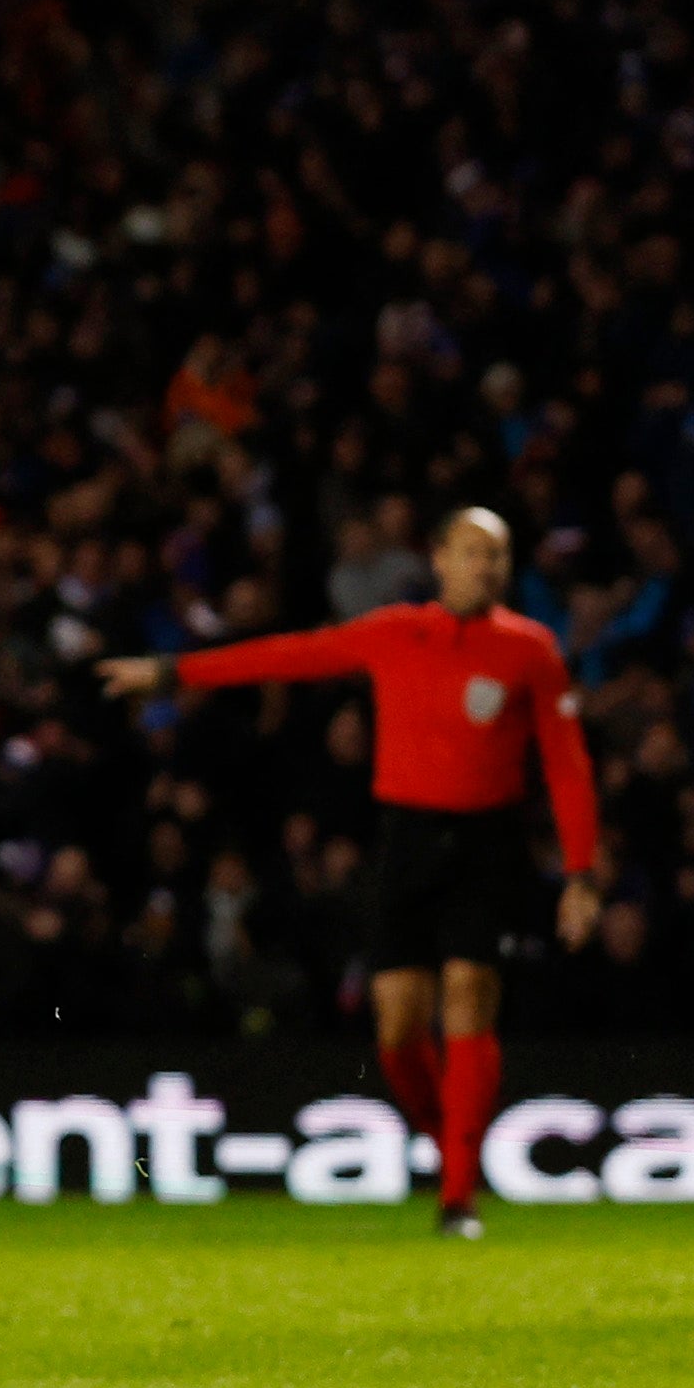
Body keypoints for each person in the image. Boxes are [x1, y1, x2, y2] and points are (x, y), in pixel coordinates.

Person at [99, 507, 602, 1238]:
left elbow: (567, 762)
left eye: (497, 555)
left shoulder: (531, 649)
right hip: (405, 836)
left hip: (487, 843)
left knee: (468, 993)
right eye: (472, 551)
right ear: (439, 558)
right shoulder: (395, 631)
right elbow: (287, 655)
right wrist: (175, 671)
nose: (486, 566)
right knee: (397, 1028)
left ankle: (456, 1197)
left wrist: (581, 874)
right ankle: (453, 1149)